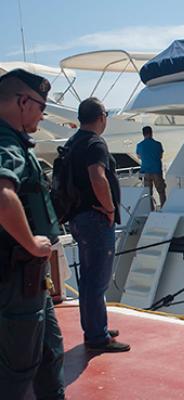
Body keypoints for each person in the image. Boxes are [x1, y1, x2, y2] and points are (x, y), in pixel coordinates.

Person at [0, 69, 65, 399]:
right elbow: (2, 196)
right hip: (15, 280)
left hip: (30, 280)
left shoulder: (15, 141)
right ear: (23, 102)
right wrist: (32, 243)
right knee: (17, 372)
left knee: (48, 356)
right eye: (41, 106)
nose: (43, 114)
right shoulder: (5, 141)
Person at [67, 97, 130, 352]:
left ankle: (95, 327)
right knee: (97, 279)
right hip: (95, 219)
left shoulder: (74, 142)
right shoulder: (95, 143)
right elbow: (97, 176)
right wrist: (110, 208)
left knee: (89, 278)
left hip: (79, 217)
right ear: (101, 117)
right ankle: (97, 336)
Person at [136, 126, 166, 209]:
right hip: (156, 170)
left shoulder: (139, 145)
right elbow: (160, 156)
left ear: (143, 134)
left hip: (145, 171)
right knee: (161, 191)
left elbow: (139, 156)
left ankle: (150, 210)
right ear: (151, 133)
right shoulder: (158, 144)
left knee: (148, 194)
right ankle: (164, 208)